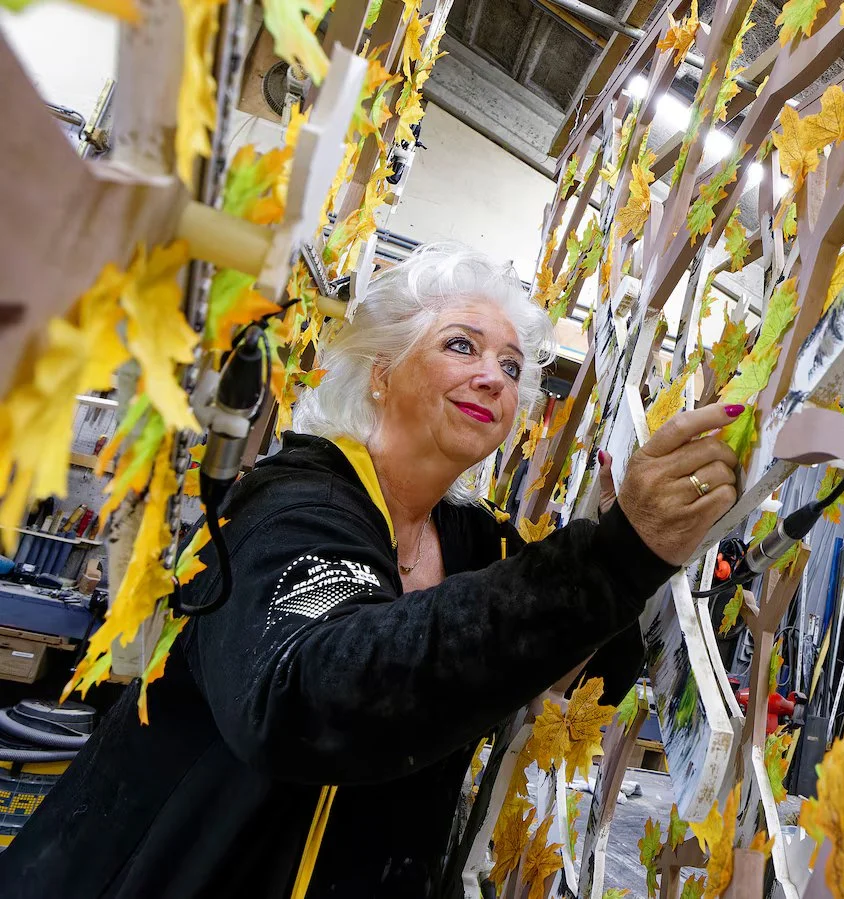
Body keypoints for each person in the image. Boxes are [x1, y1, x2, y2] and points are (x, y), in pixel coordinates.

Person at [0, 243, 742, 898]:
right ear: (381, 371)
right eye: (463, 346)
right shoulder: (292, 504)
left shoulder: (475, 537)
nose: (494, 378)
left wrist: (624, 540)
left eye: (513, 367)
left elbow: (576, 669)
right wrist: (614, 554)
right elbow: (310, 693)